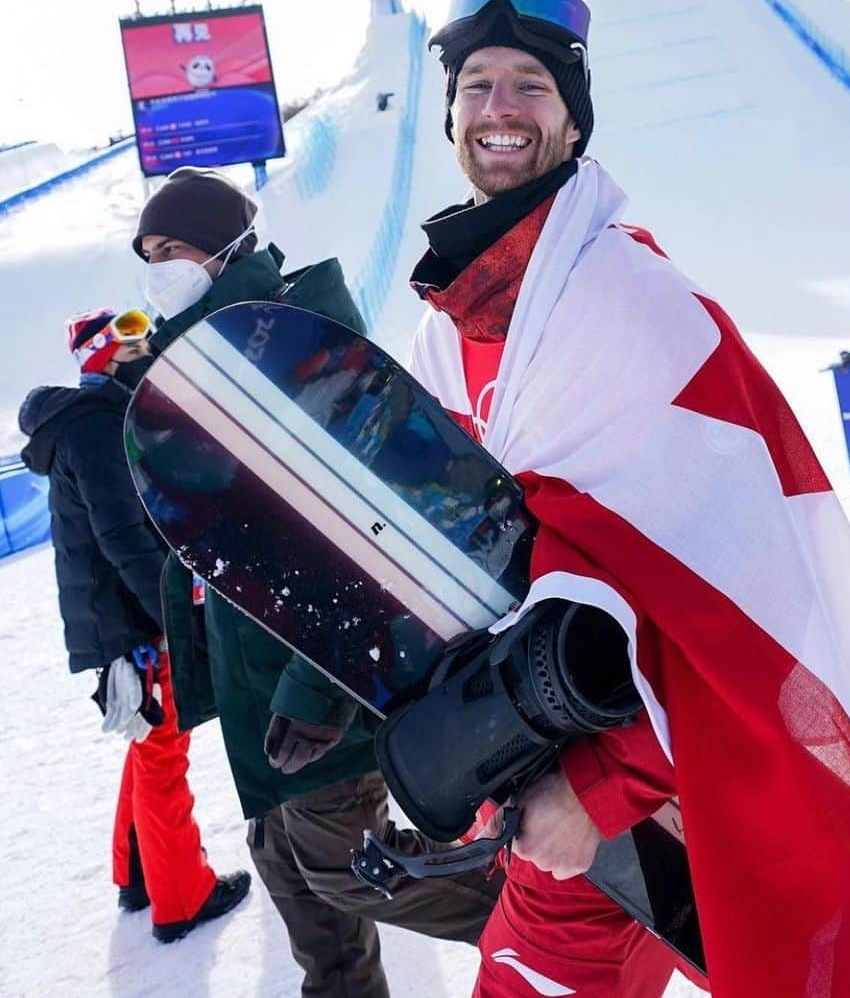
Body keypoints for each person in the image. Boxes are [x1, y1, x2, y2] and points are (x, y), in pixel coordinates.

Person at [408, 0, 850, 996]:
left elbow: (746, 601)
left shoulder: (639, 308)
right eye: (477, 85)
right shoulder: (451, 329)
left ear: (572, 116)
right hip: (561, 797)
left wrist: (608, 789)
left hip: (674, 797)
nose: (499, 109)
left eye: (530, 83)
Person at [131, 166, 501, 998]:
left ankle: (555, 914)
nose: (157, 267)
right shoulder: (205, 359)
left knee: (346, 868)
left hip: (323, 688)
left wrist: (317, 685)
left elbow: (376, 535)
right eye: (147, 253)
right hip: (259, 692)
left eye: (172, 249)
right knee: (305, 897)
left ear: (227, 252)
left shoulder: (299, 347)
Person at [18, 308, 251, 942]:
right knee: (163, 750)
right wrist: (175, 621)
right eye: (135, 341)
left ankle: (140, 875)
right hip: (135, 620)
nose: (148, 348)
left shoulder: (95, 420)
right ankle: (181, 898)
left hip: (120, 616)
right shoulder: (95, 426)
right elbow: (121, 534)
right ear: (105, 355)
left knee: (150, 741)